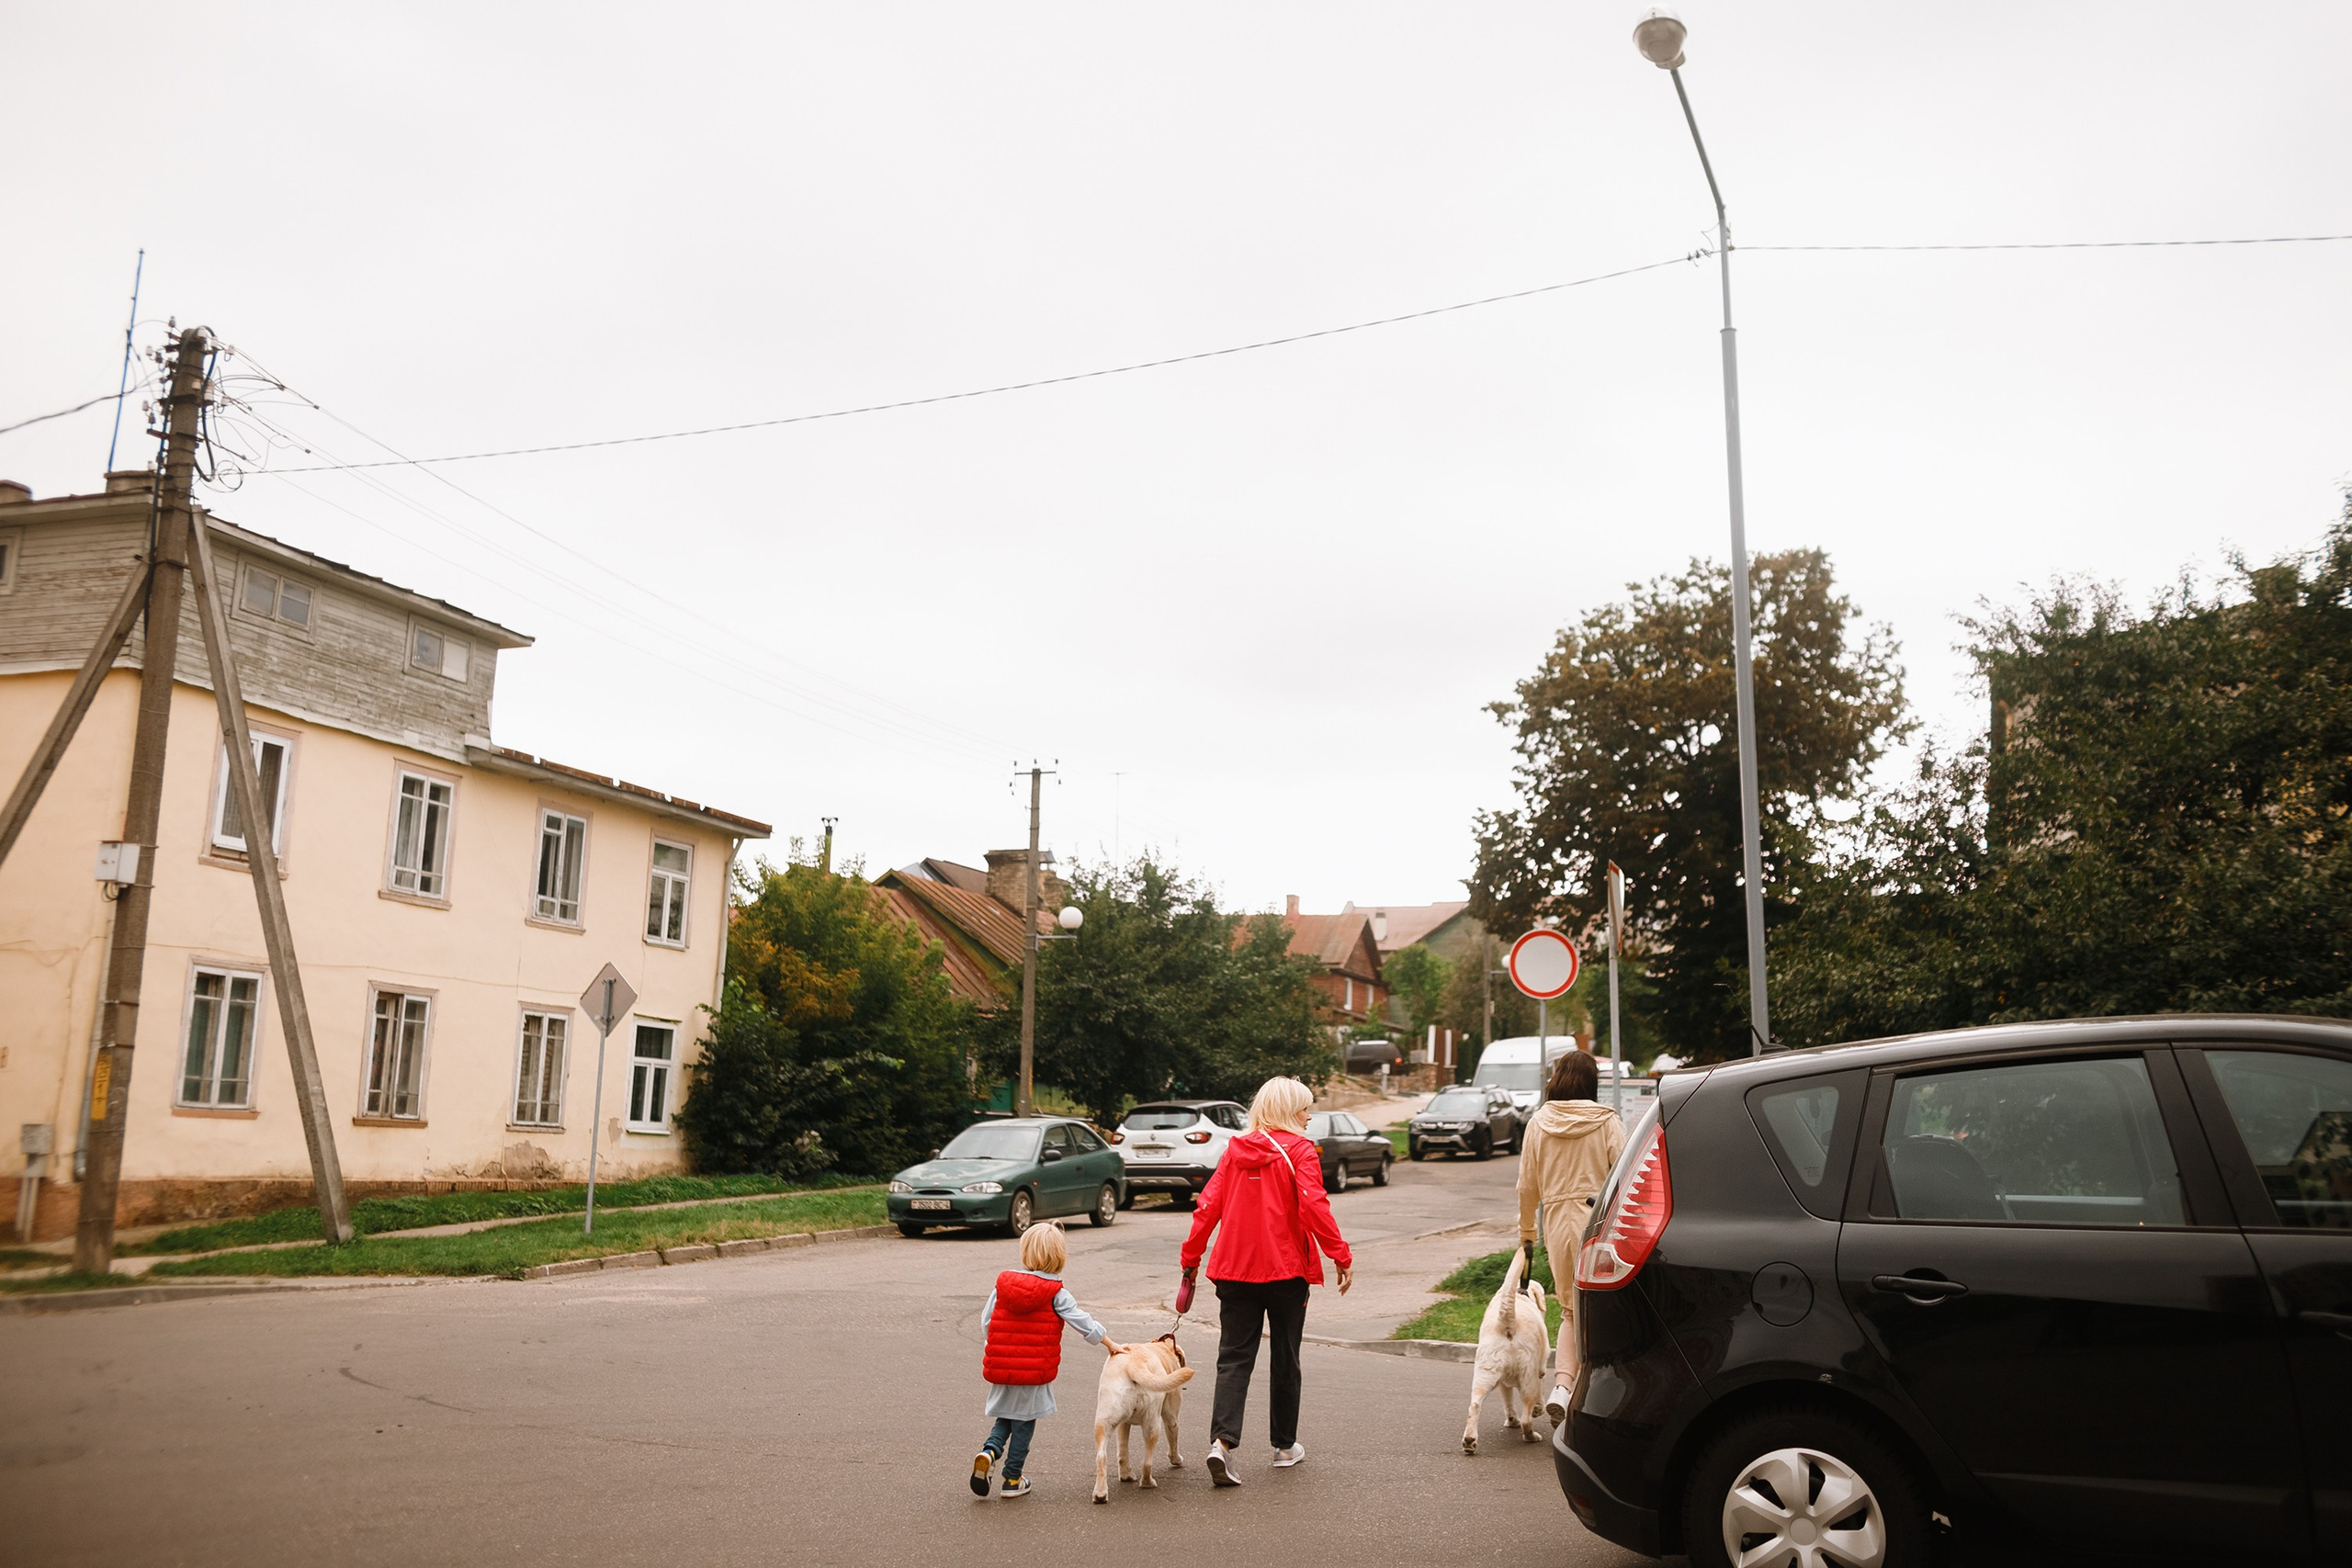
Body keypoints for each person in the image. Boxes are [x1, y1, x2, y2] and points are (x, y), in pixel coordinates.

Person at [1177, 1076, 1354, 1488]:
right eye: (1304, 1109)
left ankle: (1221, 1444)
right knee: (1286, 1357)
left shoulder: (1234, 1151)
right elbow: (1314, 1206)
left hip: (1234, 1271)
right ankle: (1284, 1446)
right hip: (1286, 1272)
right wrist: (1340, 1255)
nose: (1309, 1116)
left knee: (1233, 1358)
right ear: (1289, 1112)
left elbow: (1208, 1208)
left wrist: (1191, 1258)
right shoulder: (1301, 1151)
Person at [972, 1221, 1130, 1499]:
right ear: (1059, 1255)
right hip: (1033, 1371)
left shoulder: (1003, 1285)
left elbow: (987, 1321)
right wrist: (1108, 1343)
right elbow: (1081, 1322)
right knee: (1024, 1422)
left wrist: (995, 1345)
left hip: (1002, 1366)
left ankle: (989, 1451)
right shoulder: (1056, 1292)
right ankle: (1012, 1479)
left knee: (1006, 1415)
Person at [1517, 1048, 1626, 1425]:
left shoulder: (1537, 1124)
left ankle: (1563, 1387)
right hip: (1601, 1223)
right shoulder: (1607, 1121)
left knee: (1569, 1310)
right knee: (1604, 1309)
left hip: (1559, 1223)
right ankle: (1604, 1396)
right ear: (1592, 1083)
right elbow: (1624, 1178)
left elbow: (1526, 1186)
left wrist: (1528, 1233)